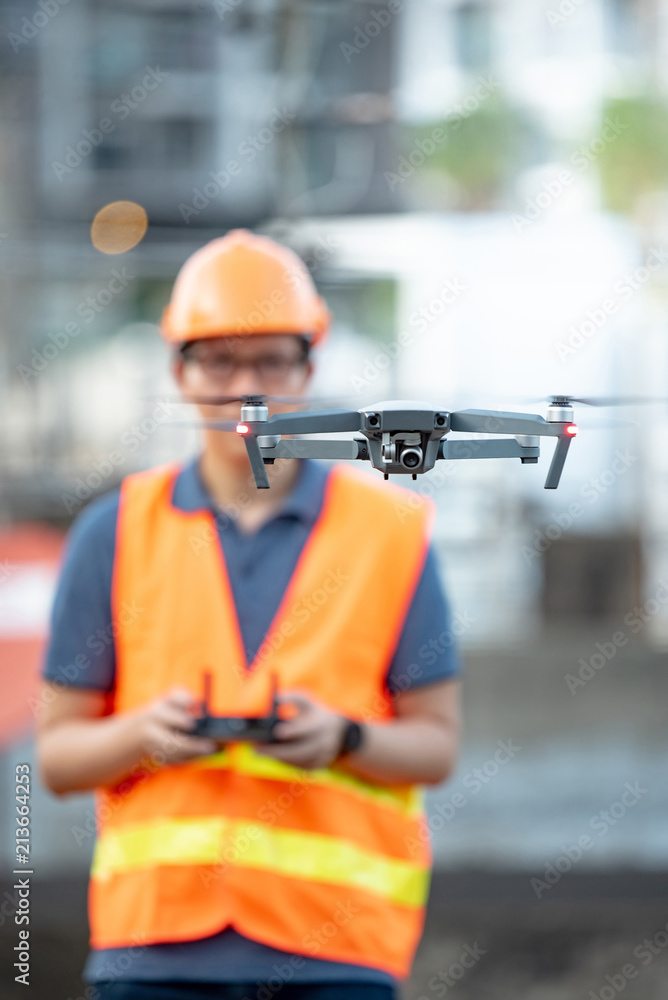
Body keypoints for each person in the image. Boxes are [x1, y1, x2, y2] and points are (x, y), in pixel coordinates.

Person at [36, 229, 462, 1000]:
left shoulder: (392, 533)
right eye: (219, 360)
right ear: (179, 369)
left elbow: (436, 746)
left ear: (309, 364)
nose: (246, 387)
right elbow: (59, 758)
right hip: (153, 953)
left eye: (271, 359)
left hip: (336, 952)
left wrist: (344, 738)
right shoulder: (115, 530)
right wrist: (143, 735)